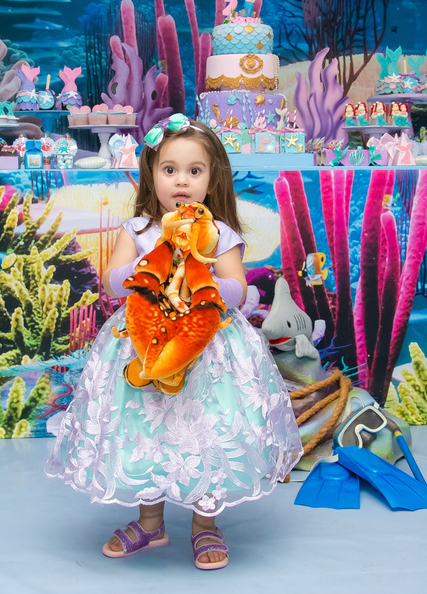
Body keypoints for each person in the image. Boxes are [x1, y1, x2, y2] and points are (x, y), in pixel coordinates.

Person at [45, 115, 302, 571]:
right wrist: (151, 265)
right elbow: (112, 281)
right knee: (146, 429)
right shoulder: (138, 229)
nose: (181, 181)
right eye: (170, 170)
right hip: (143, 342)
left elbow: (238, 289)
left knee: (207, 429)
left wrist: (201, 278)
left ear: (212, 179)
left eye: (194, 171)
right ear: (152, 175)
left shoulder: (219, 234)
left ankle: (205, 524)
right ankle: (151, 522)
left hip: (209, 347)